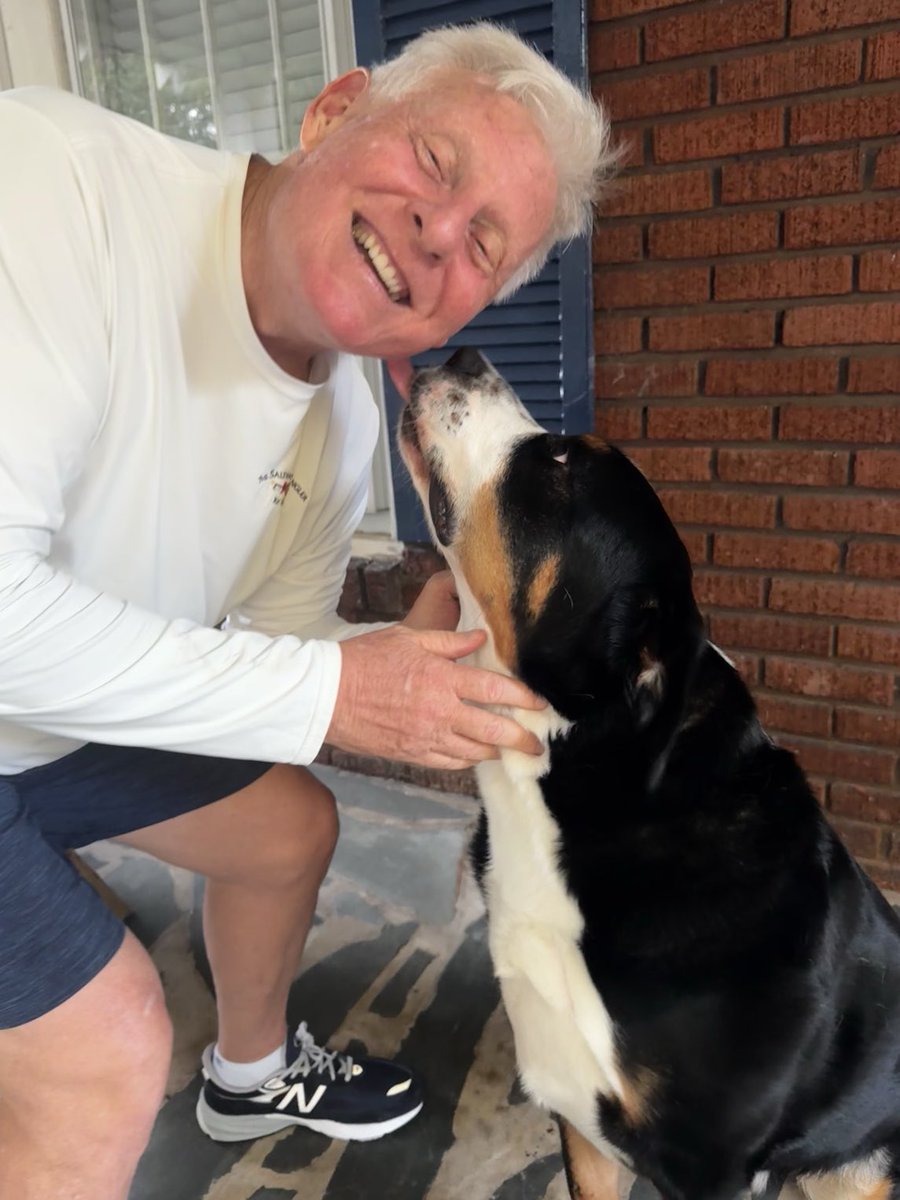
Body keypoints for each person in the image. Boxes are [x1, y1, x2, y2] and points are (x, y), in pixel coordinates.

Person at [0, 20, 614, 1198]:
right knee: (103, 1049)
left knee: (286, 829)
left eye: (484, 242)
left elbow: (271, 657)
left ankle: (251, 1072)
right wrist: (344, 688)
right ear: (332, 111)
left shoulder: (334, 424)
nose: (438, 232)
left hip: (48, 724)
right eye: (437, 162)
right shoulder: (56, 189)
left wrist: (391, 653)